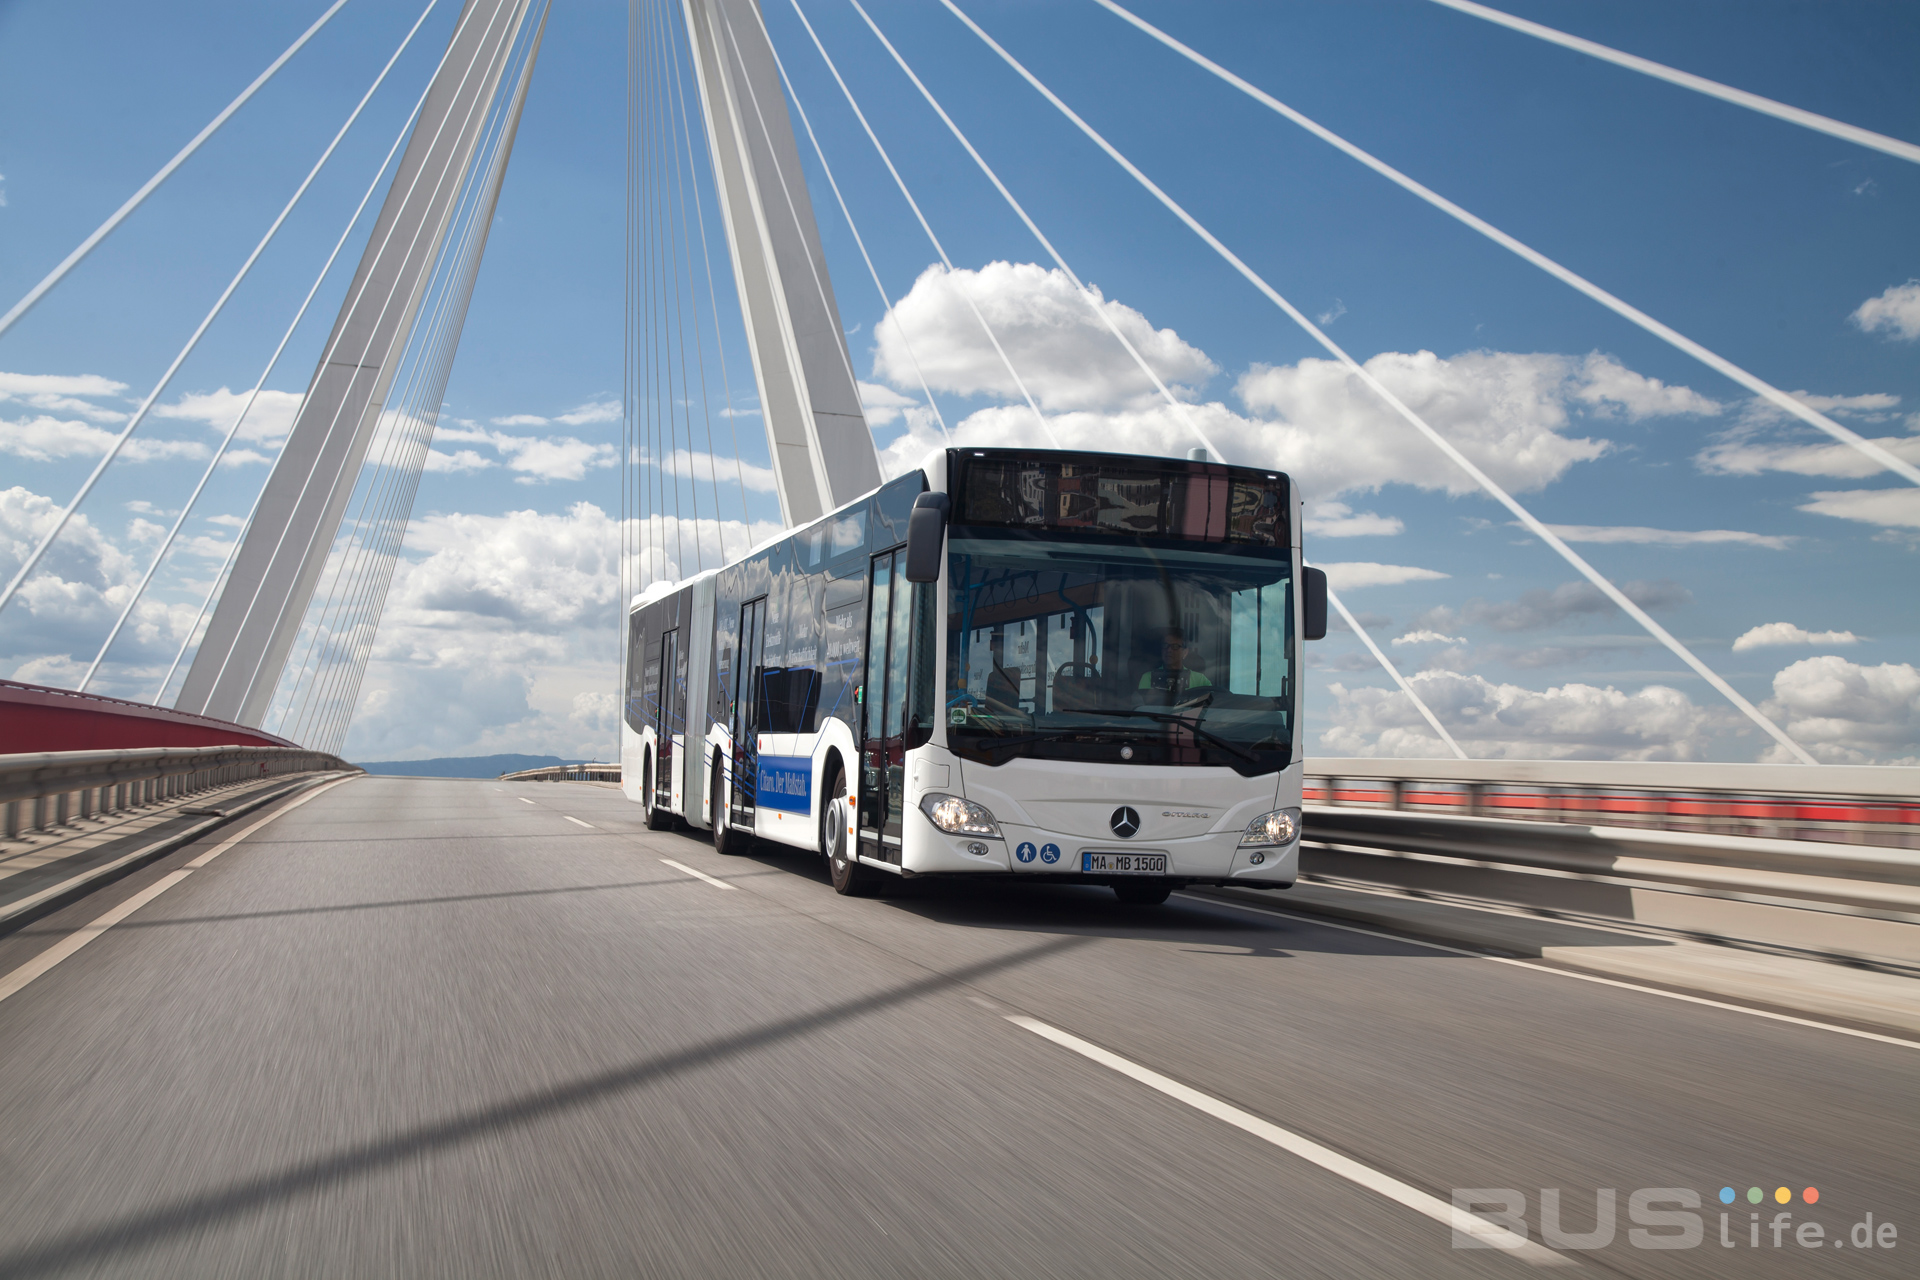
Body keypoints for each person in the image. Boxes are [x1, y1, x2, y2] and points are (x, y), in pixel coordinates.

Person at [1138, 628, 1212, 701]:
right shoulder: (1148, 678)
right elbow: (1144, 707)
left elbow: (1212, 703)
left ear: (1185, 652)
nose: (1169, 650)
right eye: (1165, 645)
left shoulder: (1200, 680)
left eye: (1175, 646)